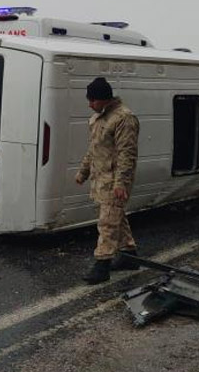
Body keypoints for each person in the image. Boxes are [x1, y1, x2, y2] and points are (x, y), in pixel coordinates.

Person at [76, 77, 141, 284]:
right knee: (116, 218)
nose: (90, 104)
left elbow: (126, 154)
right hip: (101, 179)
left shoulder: (124, 119)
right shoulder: (98, 119)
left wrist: (121, 183)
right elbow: (93, 149)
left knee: (107, 222)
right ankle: (129, 255)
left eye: (92, 100)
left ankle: (102, 264)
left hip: (115, 181)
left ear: (104, 99)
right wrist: (83, 172)